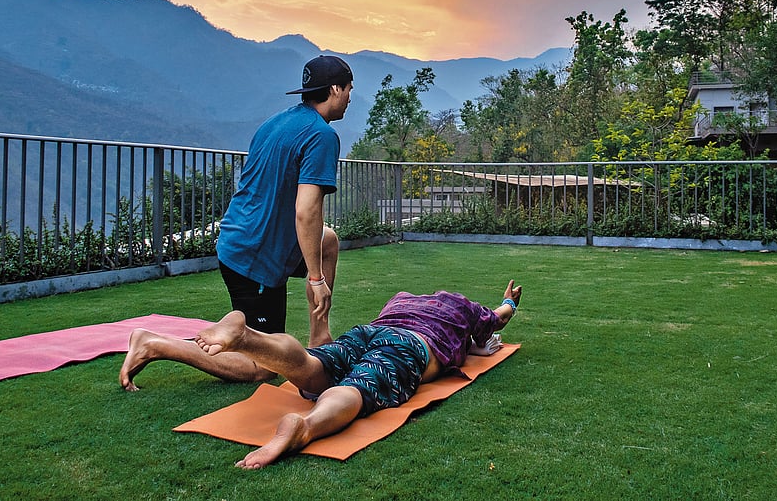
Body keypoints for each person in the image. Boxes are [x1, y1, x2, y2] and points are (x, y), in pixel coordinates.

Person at [119, 55, 354, 390]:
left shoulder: (277, 123)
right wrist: (316, 279)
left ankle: (319, 337)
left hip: (240, 239)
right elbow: (307, 211)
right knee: (262, 367)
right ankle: (155, 343)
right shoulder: (321, 136)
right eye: (348, 89)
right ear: (334, 89)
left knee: (327, 241)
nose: (349, 97)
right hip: (253, 259)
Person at [194, 279, 523, 469]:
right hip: (410, 344)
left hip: (368, 330)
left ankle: (249, 338)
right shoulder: (463, 306)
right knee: (362, 384)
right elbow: (499, 317)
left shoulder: (401, 299)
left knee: (316, 365)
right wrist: (510, 301)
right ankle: (305, 427)